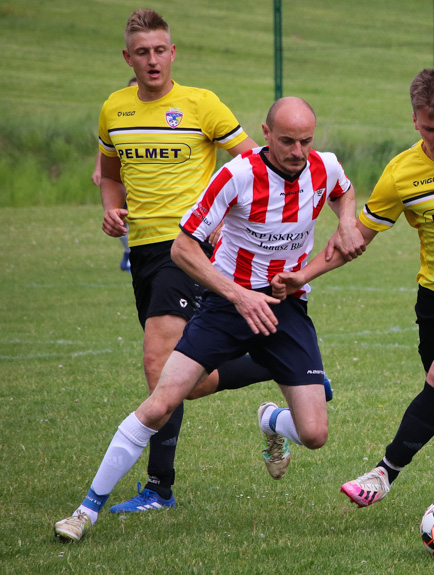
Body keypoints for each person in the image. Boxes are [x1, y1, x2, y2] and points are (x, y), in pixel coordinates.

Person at [91, 9, 363, 516]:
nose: (152, 60)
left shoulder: (203, 106)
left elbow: (267, 167)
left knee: (160, 370)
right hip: (145, 248)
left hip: (193, 251)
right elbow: (107, 173)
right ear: (127, 57)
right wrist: (111, 207)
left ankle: (157, 487)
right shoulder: (115, 109)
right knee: (176, 382)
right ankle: (262, 370)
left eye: (160, 50)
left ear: (174, 52)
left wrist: (225, 218)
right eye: (142, 52)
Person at [54, 96, 359, 542]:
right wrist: (238, 295)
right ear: (266, 133)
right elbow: (183, 249)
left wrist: (347, 221)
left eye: (306, 141)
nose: (297, 151)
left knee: (314, 434)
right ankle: (85, 512)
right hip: (225, 305)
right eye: (288, 141)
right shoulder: (236, 176)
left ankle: (273, 420)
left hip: (286, 307)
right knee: (161, 402)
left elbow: (344, 190)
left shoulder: (323, 166)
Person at [272, 68, 434, 508]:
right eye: (430, 129)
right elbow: (355, 239)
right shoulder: (401, 175)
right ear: (415, 121)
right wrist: (304, 274)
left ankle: (384, 472)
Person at [92, 76, 138, 273]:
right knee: (121, 214)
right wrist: (98, 170)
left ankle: (136, 252)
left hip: (142, 180)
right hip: (121, 178)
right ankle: (128, 251)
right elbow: (106, 148)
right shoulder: (120, 115)